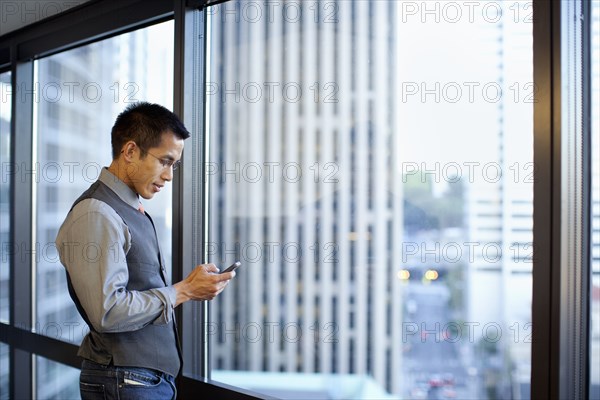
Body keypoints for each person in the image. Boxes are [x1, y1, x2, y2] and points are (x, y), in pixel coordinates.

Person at [55, 102, 234, 399]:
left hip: (138, 380)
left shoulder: (127, 208)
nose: (169, 176)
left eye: (174, 165)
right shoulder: (97, 213)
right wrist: (184, 290)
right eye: (165, 161)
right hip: (124, 380)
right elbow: (107, 311)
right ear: (130, 152)